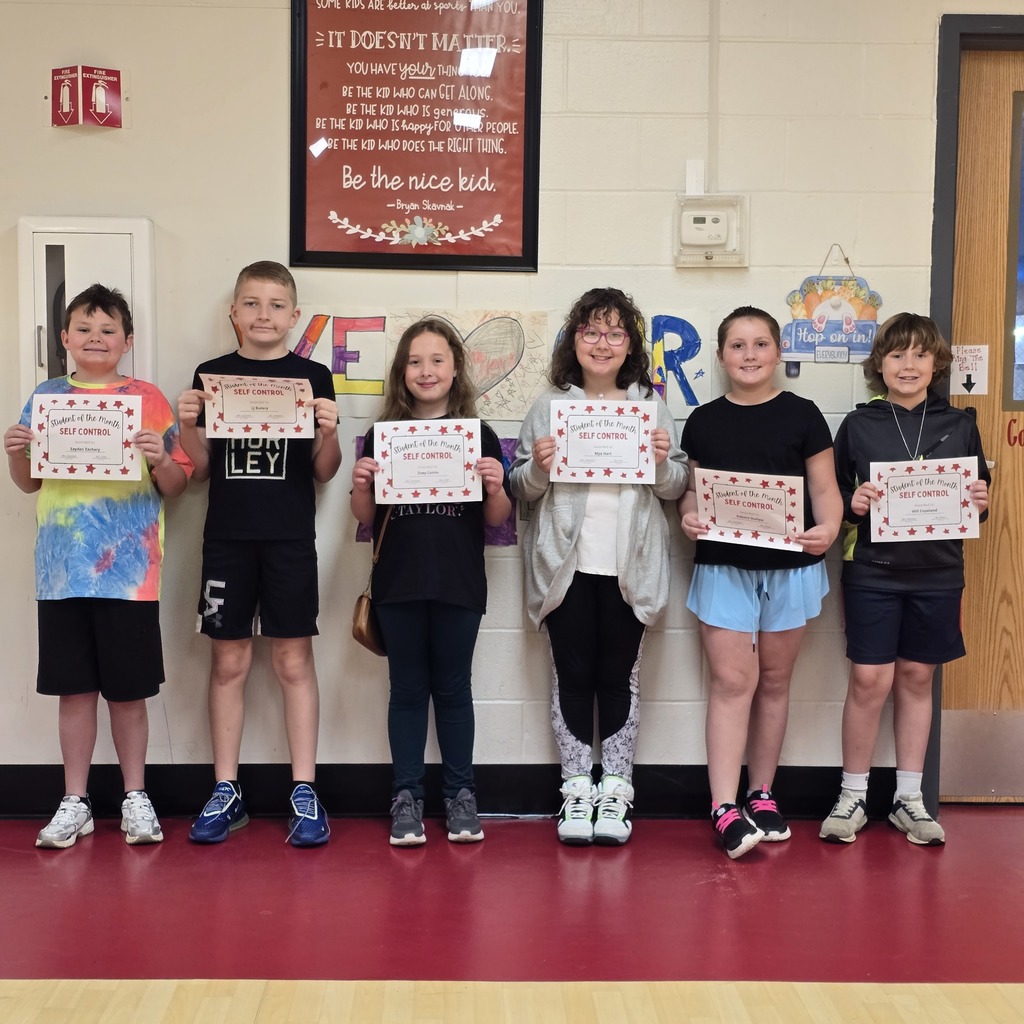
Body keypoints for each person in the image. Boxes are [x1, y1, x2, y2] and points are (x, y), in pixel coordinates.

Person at [4, 284, 192, 848]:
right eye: (83, 330)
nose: (95, 338)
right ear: (64, 339)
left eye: (108, 330)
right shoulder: (45, 398)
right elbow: (29, 482)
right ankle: (75, 800)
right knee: (74, 691)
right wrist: (17, 451)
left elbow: (178, 485)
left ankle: (136, 796)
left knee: (129, 693)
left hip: (131, 574)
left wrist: (162, 459)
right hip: (62, 573)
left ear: (127, 341)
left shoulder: (149, 400)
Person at [509, 287, 688, 847]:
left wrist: (661, 462)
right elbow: (520, 488)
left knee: (619, 678)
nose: (602, 343)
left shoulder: (650, 408)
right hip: (565, 568)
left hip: (629, 569)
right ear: (574, 341)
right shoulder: (549, 407)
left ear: (631, 344)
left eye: (615, 333)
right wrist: (538, 469)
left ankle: (616, 787)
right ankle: (575, 790)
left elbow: (676, 486)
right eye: (591, 332)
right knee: (571, 675)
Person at [178, 260, 341, 846]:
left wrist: (328, 431)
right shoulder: (210, 374)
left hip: (290, 540)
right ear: (234, 312)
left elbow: (326, 473)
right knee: (229, 665)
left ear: (294, 316)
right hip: (227, 538)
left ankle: (304, 789)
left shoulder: (313, 376)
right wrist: (188, 425)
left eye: (276, 305)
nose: (263, 314)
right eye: (251, 303)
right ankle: (226, 789)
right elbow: (195, 475)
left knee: (294, 662)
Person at [820, 312, 990, 847]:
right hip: (872, 570)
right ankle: (852, 794)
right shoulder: (859, 424)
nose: (908, 364)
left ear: (937, 363)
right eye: (897, 355)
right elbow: (837, 504)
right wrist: (855, 501)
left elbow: (976, 504)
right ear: (880, 365)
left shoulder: (960, 423)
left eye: (919, 354)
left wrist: (981, 502)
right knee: (870, 681)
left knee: (918, 678)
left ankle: (908, 798)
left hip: (939, 572)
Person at [678, 306, 842, 859]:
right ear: (721, 356)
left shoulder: (804, 414)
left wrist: (830, 529)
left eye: (761, 344)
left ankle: (762, 793)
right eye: (738, 346)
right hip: (723, 565)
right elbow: (694, 493)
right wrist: (688, 516)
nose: (750, 355)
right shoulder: (702, 419)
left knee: (775, 680)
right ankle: (724, 806)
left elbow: (824, 489)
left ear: (777, 353)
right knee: (731, 683)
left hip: (792, 568)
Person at [350, 317, 512, 846]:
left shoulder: (478, 434)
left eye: (437, 360)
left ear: (456, 368)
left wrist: (494, 484)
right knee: (407, 691)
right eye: (415, 361)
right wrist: (361, 484)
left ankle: (461, 795)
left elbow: (496, 519)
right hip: (398, 582)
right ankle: (406, 797)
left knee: (454, 690)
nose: (426, 370)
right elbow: (365, 515)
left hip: (459, 583)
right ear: (402, 372)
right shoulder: (381, 436)